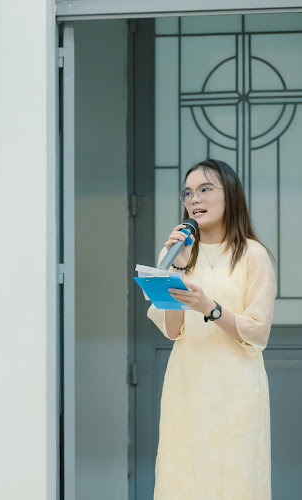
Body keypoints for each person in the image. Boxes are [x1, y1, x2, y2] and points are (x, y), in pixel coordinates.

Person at [148, 159, 275, 500]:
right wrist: (176, 268)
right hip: (187, 384)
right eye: (188, 192)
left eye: (205, 189)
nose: (194, 199)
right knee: (184, 478)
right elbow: (172, 330)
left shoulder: (253, 255)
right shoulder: (174, 252)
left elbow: (257, 331)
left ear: (230, 195)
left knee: (236, 479)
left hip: (237, 389)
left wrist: (210, 309)